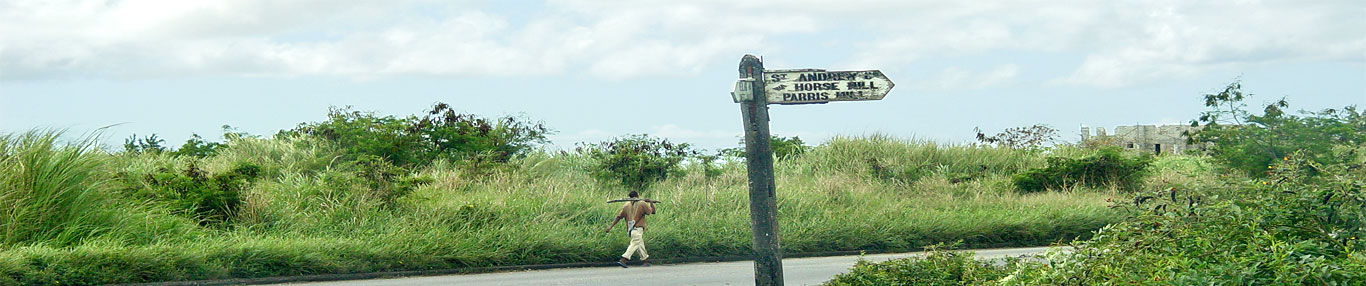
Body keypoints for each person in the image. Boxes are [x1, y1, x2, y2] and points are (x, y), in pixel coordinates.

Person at [604, 190, 656, 268]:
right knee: (635, 244)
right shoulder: (642, 203)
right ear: (637, 196)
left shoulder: (626, 205)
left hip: (631, 229)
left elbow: (619, 217)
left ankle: (645, 261)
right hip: (638, 228)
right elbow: (652, 212)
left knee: (640, 245)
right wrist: (651, 202)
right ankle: (624, 259)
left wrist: (610, 227)